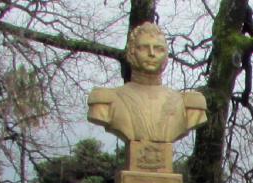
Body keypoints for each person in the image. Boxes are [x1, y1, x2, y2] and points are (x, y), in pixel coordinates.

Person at [88, 22, 207, 159]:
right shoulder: (106, 100)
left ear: (166, 54)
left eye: (158, 49)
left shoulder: (189, 104)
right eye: (144, 48)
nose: (151, 54)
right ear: (132, 51)